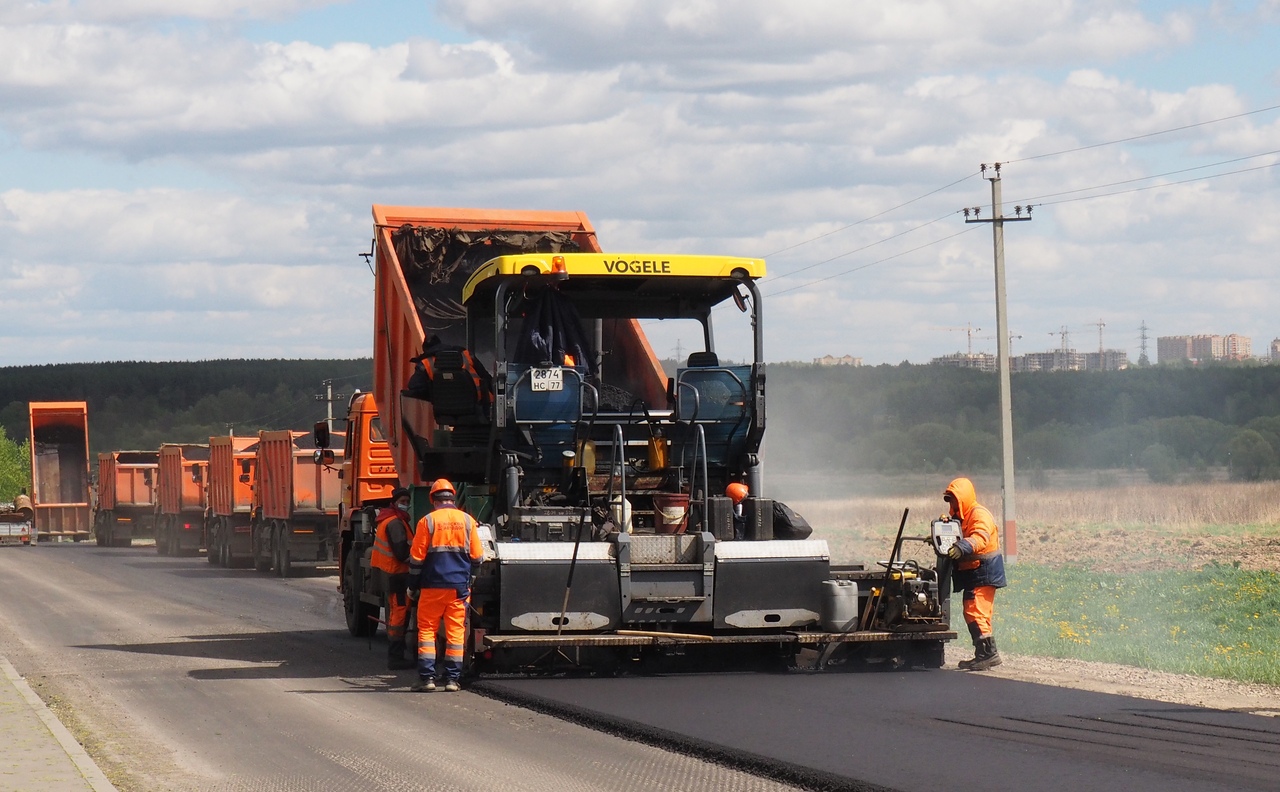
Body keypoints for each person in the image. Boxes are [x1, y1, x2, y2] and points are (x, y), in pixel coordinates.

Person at [407, 479, 484, 692]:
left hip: (432, 585)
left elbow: (416, 559)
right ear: (453, 498)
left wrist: (412, 586)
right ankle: (452, 680)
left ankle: (427, 679)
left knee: (427, 631)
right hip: (458, 588)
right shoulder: (468, 521)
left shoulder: (427, 522)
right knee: (456, 633)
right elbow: (477, 557)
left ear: (433, 499)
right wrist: (470, 579)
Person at [943, 477, 1007, 671]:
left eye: (953, 499)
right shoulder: (961, 517)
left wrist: (962, 547)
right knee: (976, 612)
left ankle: (988, 654)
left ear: (962, 498)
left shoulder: (979, 515)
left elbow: (980, 537)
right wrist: (940, 533)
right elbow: (956, 534)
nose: (951, 503)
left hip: (984, 570)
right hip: (975, 571)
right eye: (949, 500)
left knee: (975, 611)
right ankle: (983, 654)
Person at [371, 487, 416, 670]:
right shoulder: (395, 523)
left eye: (407, 501)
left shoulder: (388, 519)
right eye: (402, 501)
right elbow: (401, 552)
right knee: (398, 616)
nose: (405, 504)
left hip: (391, 574)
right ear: (395, 502)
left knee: (396, 614)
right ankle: (396, 657)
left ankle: (397, 654)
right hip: (397, 575)